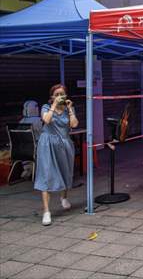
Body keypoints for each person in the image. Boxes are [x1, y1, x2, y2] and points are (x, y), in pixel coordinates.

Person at [35, 85, 78, 226]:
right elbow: (46, 120)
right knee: (46, 175)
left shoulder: (68, 109)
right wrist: (53, 105)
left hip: (64, 143)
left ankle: (64, 198)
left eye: (62, 94)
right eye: (57, 94)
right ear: (52, 96)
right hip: (47, 144)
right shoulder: (46, 107)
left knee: (66, 171)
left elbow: (74, 124)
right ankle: (46, 211)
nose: (60, 96)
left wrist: (70, 109)